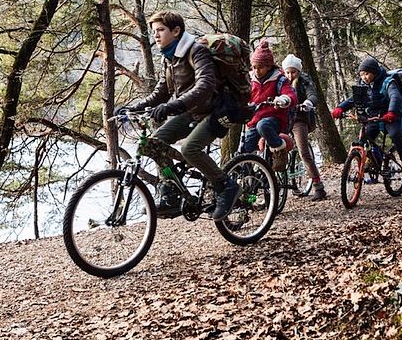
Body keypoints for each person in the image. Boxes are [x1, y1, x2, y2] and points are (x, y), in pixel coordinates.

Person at [121, 11, 239, 220]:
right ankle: (172, 194)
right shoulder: (170, 58)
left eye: (160, 30)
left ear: (176, 31)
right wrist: (132, 107)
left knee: (189, 148)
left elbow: (205, 85)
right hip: (191, 112)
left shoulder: (197, 52)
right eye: (154, 31)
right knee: (154, 143)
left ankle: (226, 186)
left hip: (215, 110)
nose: (156, 35)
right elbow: (161, 92)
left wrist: (173, 106)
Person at [330, 56, 402, 178]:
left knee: (395, 134)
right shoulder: (363, 85)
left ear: (374, 72)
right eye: (361, 74)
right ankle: (373, 159)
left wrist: (391, 113)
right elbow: (353, 99)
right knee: (364, 139)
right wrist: (340, 108)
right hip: (373, 117)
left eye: (366, 74)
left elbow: (395, 97)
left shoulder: (388, 82)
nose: (364, 77)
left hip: (390, 115)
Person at [239, 41, 296, 170]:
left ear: (269, 66)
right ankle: (249, 177)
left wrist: (284, 99)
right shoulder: (250, 80)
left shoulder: (280, 79)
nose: (256, 71)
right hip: (254, 119)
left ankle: (280, 150)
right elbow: (243, 94)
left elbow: (291, 95)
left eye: (260, 67)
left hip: (274, 118)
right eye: (254, 67)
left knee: (263, 125)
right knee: (247, 146)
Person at [281, 53, 328, 201]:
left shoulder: (304, 80)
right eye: (287, 72)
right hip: (283, 118)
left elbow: (313, 95)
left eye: (293, 72)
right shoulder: (281, 81)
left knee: (304, 153)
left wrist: (308, 103)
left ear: (299, 71)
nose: (290, 75)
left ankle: (318, 187)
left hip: (299, 119)